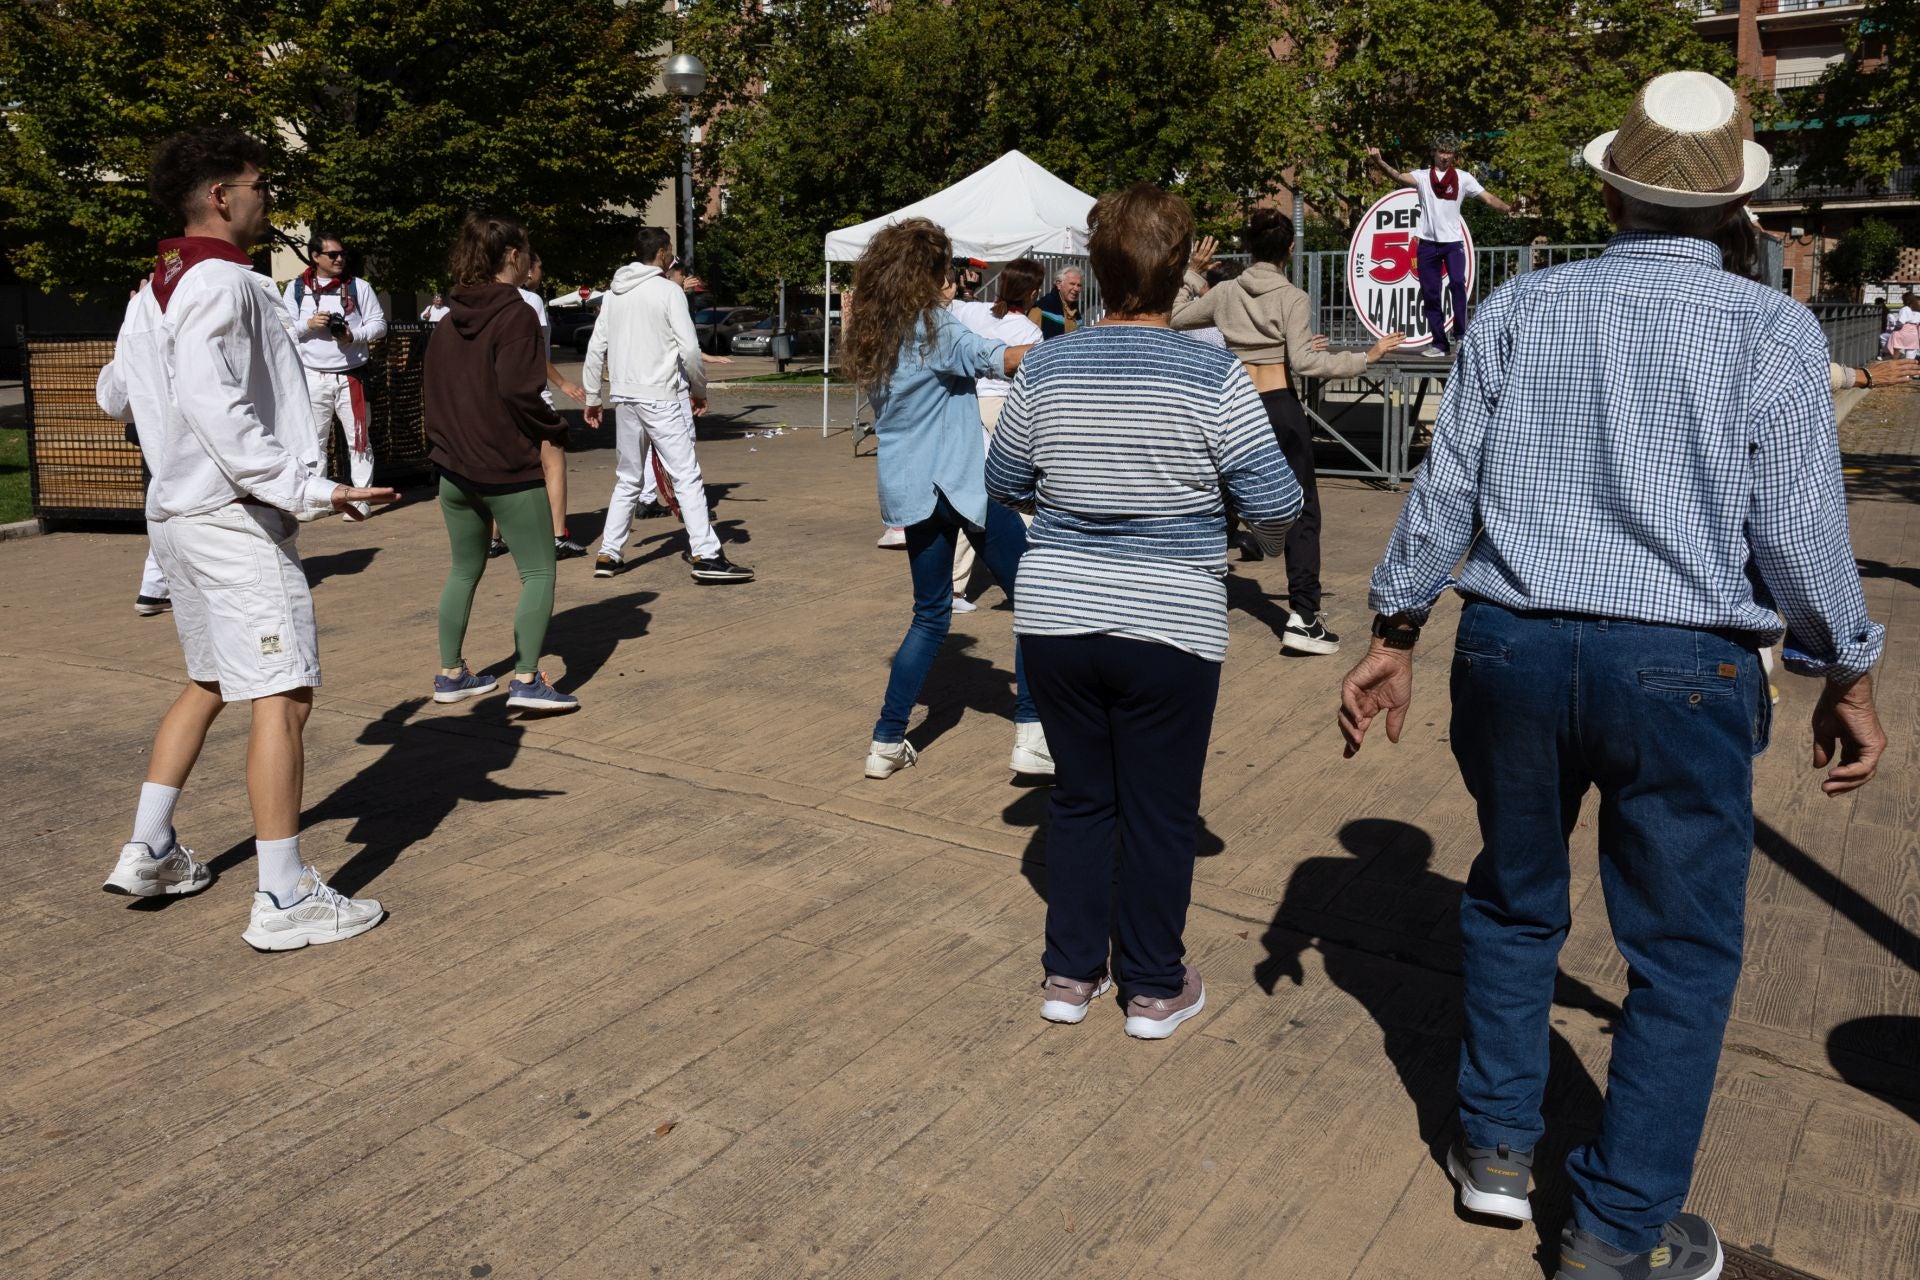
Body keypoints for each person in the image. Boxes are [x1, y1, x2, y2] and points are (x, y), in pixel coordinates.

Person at [1341, 73, 1887, 1280]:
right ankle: (1616, 1226)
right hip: (1682, 663)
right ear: (1736, 208)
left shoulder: (1525, 309)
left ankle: (1491, 1150)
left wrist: (1394, 628)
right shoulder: (1771, 328)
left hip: (1511, 644)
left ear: (1612, 188)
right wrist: (1846, 666)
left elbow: (1448, 490)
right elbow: (1797, 531)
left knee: (1512, 896)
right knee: (1682, 952)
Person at [987, 183, 1301, 1038]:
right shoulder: (1211, 371)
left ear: (1096, 267)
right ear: (1181, 269)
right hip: (1172, 616)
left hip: (1056, 614)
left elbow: (1005, 479)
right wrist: (1242, 535)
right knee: (1161, 809)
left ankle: (1069, 972)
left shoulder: (1048, 365)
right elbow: (1276, 500)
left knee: (1082, 799)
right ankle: (1155, 984)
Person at [100, 126, 396, 950]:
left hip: (179, 516)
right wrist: (311, 486)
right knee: (283, 691)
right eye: (259, 184)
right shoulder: (225, 283)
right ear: (221, 197)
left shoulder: (155, 287)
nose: (269, 198)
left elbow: (114, 394)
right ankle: (284, 896)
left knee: (209, 679)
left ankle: (150, 847)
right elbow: (212, 399)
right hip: (231, 516)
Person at [843, 217, 1047, 779]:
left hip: (910, 488)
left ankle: (886, 741)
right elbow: (1001, 359)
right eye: (947, 269)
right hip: (961, 484)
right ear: (928, 273)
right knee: (1033, 597)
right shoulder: (935, 325)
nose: (953, 279)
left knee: (930, 615)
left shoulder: (878, 328)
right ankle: (1033, 730)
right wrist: (1067, 352)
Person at [1173, 208, 1403, 655]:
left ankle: (1191, 603)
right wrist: (1366, 357)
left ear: (1251, 246)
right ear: (1291, 249)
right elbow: (1304, 363)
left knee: (1217, 504)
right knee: (1302, 511)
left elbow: (1177, 316)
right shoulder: (1292, 296)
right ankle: (1303, 618)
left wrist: (1191, 272)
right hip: (1278, 406)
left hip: (1233, 407)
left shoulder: (1224, 292)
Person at [424, 214, 578, 714]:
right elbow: (518, 388)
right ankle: (528, 680)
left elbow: (434, 391)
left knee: (463, 570)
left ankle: (451, 674)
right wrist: (551, 429)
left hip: (453, 468)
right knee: (539, 570)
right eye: (527, 252)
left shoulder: (447, 319)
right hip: (504, 468)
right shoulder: (517, 315)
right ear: (512, 256)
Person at [583, 226, 754, 583]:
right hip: (660, 395)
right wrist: (699, 389)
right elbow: (690, 349)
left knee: (628, 477)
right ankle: (706, 554)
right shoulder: (668, 291)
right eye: (670, 251)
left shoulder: (613, 293)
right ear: (662, 253)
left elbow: (597, 347)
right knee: (686, 474)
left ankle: (609, 552)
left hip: (626, 396)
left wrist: (592, 396)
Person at [948, 256, 1045, 610]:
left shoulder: (975, 312)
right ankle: (1030, 574)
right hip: (1005, 411)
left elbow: (949, 309)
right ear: (1033, 291)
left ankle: (954, 587)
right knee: (1019, 497)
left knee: (973, 497)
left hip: (971, 406)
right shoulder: (1030, 332)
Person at [1366, 133, 1519, 357]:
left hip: (1452, 243)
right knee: (1431, 294)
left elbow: (1488, 198)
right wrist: (1379, 161)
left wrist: (1508, 209)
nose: (1445, 156)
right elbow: (1398, 177)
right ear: (1434, 153)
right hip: (1427, 244)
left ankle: (1460, 335)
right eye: (1441, 152)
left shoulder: (1463, 178)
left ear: (1454, 155)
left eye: (1449, 152)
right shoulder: (1423, 177)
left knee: (1458, 282)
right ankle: (1439, 343)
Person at [485, 248, 591, 562]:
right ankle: (558, 535)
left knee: (500, 465)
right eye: (539, 266)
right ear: (526, 268)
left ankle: (493, 537)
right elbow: (536, 354)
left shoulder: (482, 299)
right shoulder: (529, 302)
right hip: (530, 393)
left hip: (493, 395)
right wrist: (563, 383)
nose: (541, 272)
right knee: (553, 459)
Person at [283, 230, 388, 516]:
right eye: (333, 255)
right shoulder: (296, 289)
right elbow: (283, 330)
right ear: (315, 257)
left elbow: (379, 324)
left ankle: (360, 499)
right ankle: (317, 500)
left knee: (359, 439)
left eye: (342, 254)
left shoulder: (359, 287)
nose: (340, 259)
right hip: (311, 376)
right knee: (313, 439)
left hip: (351, 375)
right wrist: (309, 324)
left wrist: (352, 335)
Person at [1029, 267, 1083, 339]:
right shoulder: (1042, 308)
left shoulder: (1074, 310)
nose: (1076, 289)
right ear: (1058, 284)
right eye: (1072, 284)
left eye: (1079, 285)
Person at [1888, 289, 1920, 358]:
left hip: (1902, 332)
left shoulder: (1905, 309)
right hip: (1913, 334)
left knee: (1896, 350)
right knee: (1911, 353)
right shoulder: (1917, 310)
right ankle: (1909, 366)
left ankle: (1895, 365)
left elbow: (1901, 322)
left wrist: (1895, 324)